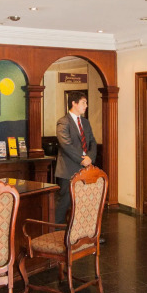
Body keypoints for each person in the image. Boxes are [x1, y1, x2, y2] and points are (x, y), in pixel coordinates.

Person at [55, 91, 98, 225]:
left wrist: (89, 158)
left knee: (84, 201)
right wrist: (82, 159)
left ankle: (82, 229)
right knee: (65, 202)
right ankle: (58, 229)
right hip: (68, 169)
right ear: (74, 103)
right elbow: (66, 145)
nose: (86, 106)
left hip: (86, 168)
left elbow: (92, 142)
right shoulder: (63, 122)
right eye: (84, 103)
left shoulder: (85, 122)